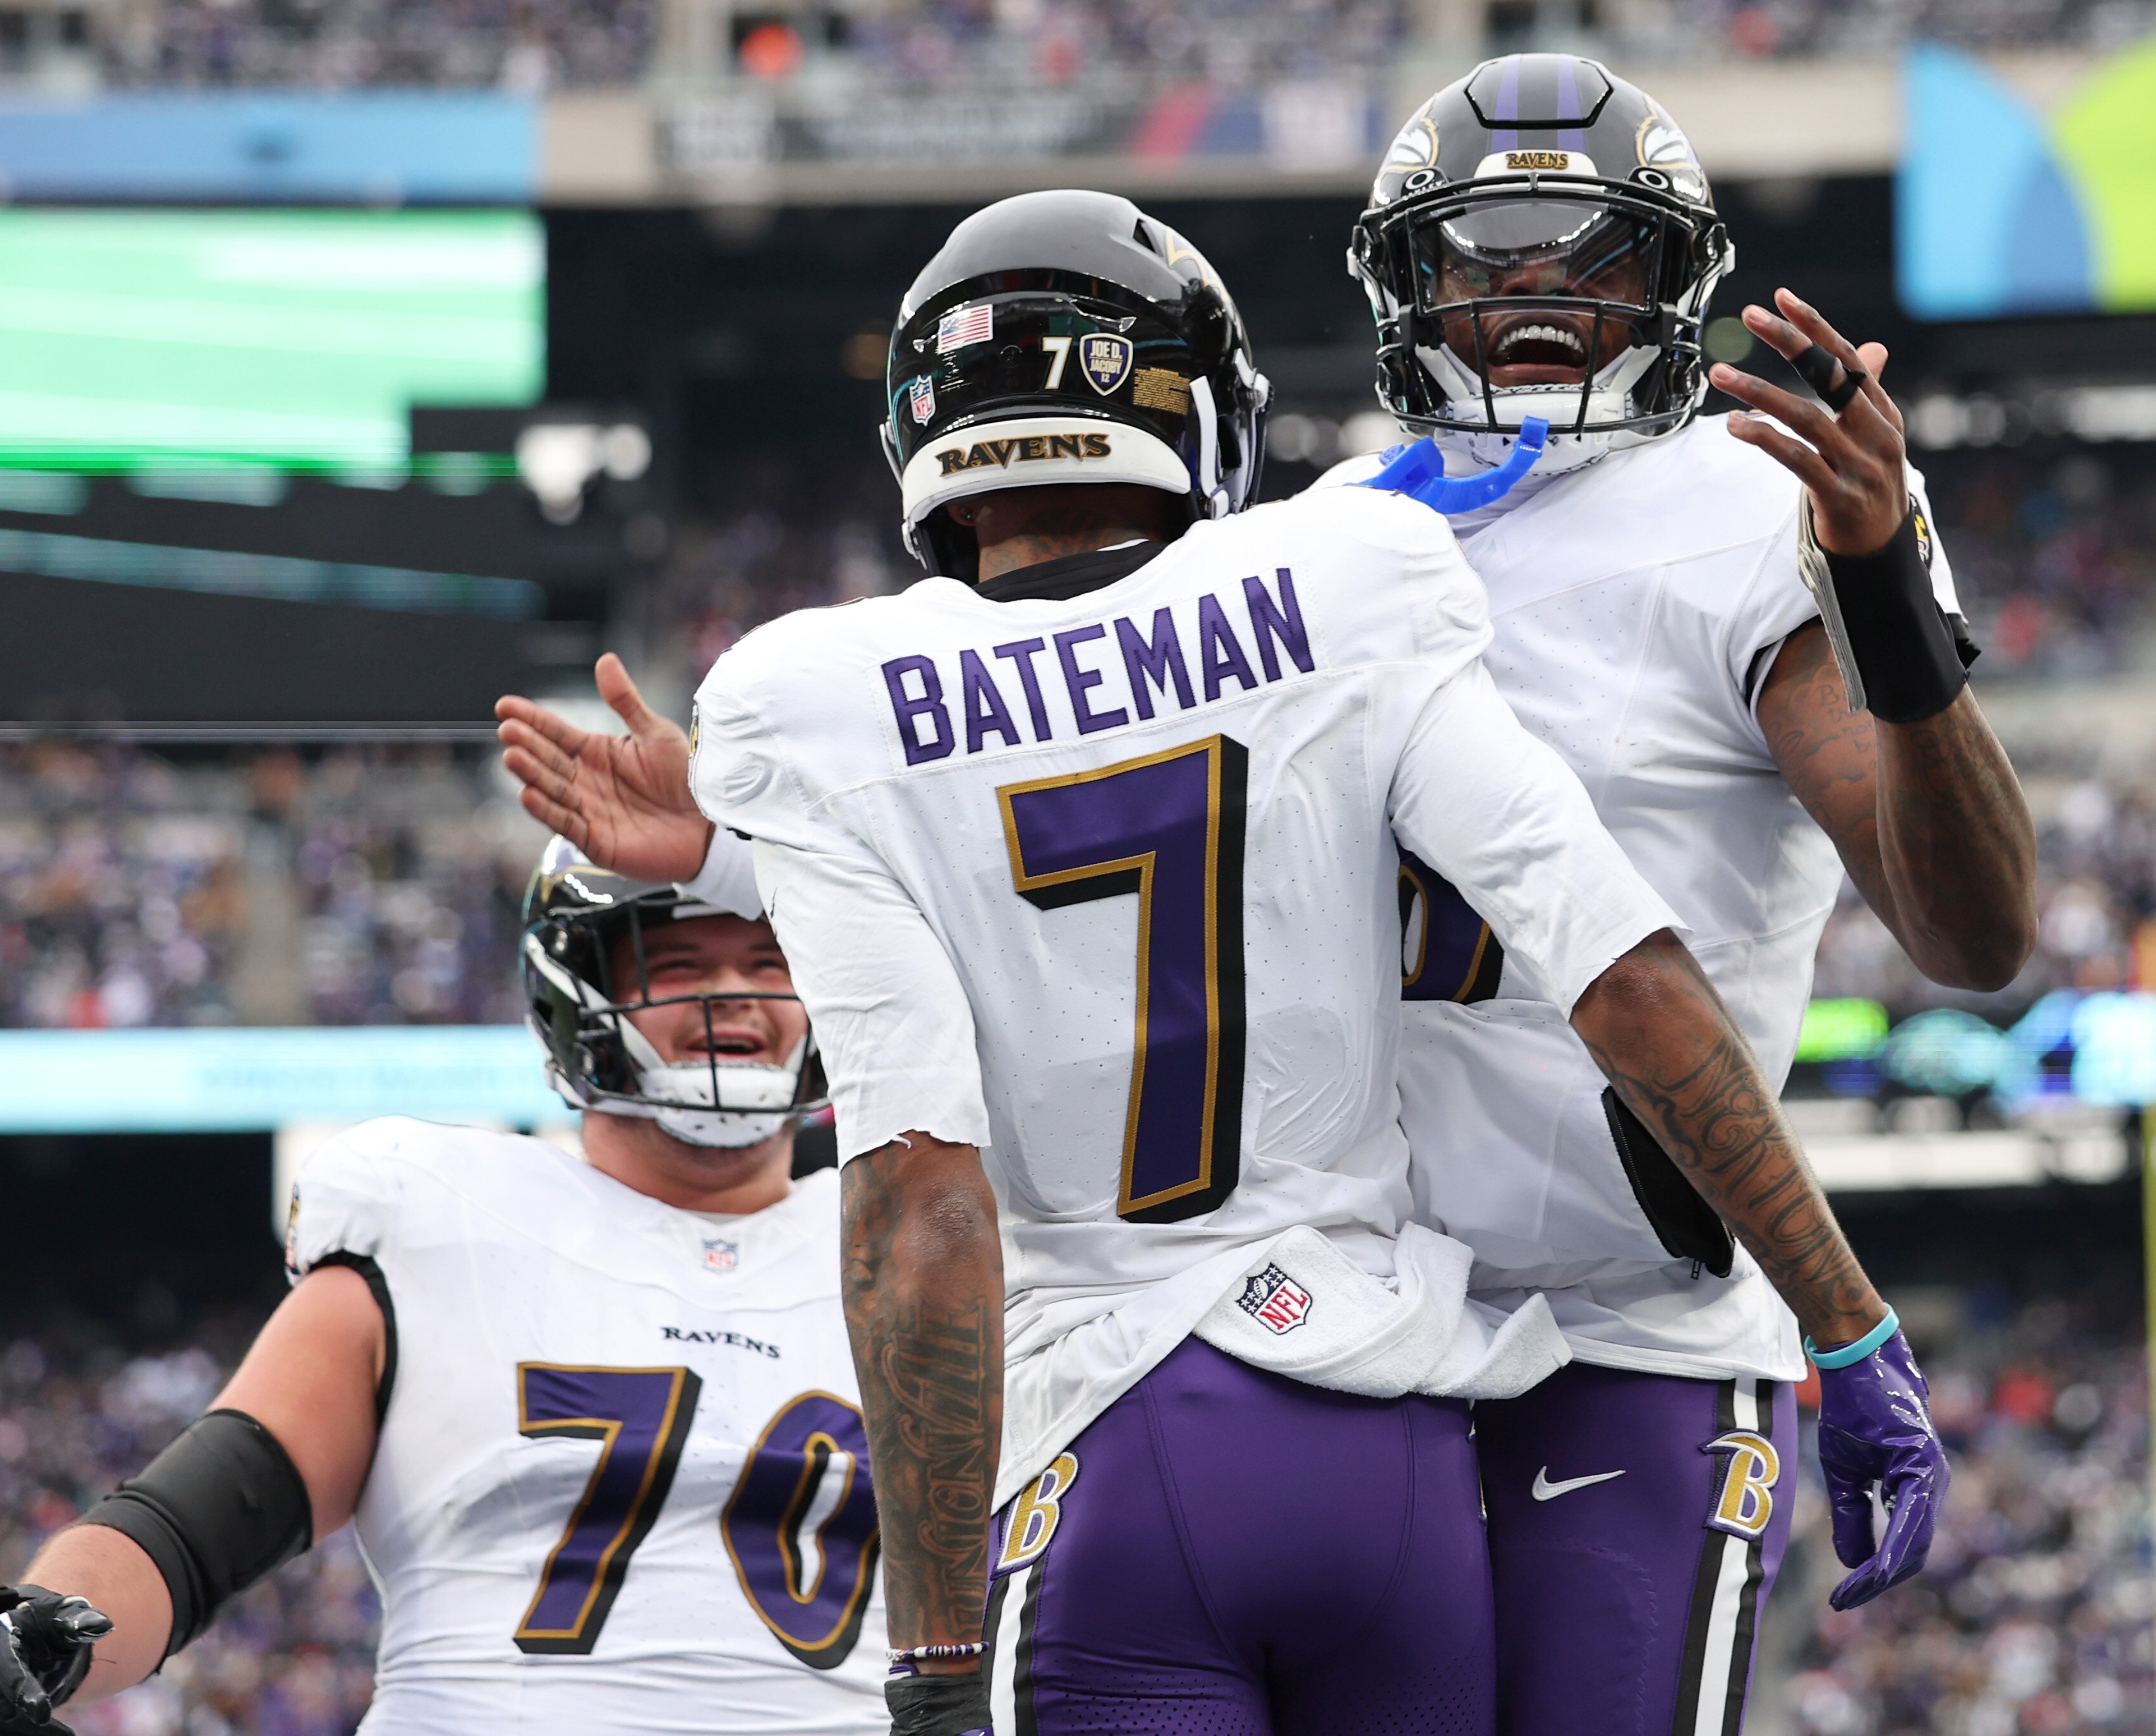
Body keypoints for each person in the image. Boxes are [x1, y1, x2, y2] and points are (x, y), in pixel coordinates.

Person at [498, 188, 1936, 1736]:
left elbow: (919, 1202)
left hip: (1109, 1444)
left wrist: (924, 1668)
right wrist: (1843, 1324)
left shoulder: (811, 698)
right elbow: (1623, 978)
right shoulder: (1345, 583)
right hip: (1383, 1449)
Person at [1329, 52, 2031, 1736]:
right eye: (1483, 254)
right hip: (1347, 1326)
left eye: (1590, 253)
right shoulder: (1325, 533)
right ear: (1406, 282)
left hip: (1625, 1335)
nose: (1535, 296)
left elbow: (1970, 932)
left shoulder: (1752, 504)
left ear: (1672, 280)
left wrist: (1882, 607)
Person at [0, 840, 888, 1735]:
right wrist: (41, 1629)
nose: (736, 996)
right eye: (678, 965)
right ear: (578, 992)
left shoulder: (918, 1255)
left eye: (772, 965)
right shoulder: (440, 1218)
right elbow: (190, 1528)